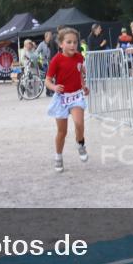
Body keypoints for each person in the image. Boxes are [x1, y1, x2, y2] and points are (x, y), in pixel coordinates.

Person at [45, 27, 90, 173]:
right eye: (69, 42)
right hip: (62, 98)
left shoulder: (79, 57)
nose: (72, 45)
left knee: (79, 123)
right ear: (61, 44)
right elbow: (47, 81)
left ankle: (81, 144)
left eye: (75, 42)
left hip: (76, 95)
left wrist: (84, 86)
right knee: (62, 132)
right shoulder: (56, 60)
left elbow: (80, 73)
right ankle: (58, 156)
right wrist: (54, 86)